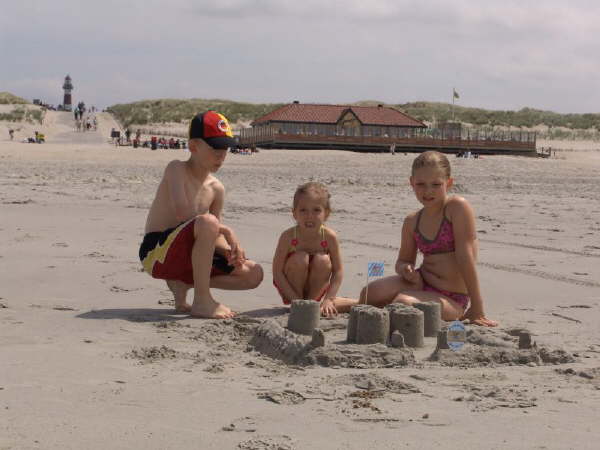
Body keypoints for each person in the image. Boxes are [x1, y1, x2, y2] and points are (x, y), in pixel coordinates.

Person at [139, 111, 263, 319]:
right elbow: (183, 213)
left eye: (225, 148)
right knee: (208, 222)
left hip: (191, 255)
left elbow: (212, 234)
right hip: (156, 252)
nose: (221, 155)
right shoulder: (176, 169)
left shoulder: (217, 188)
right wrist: (227, 231)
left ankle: (184, 284)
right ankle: (202, 300)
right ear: (193, 146)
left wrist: (228, 251)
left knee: (253, 273)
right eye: (215, 148)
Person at [359, 151, 497, 327]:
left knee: (403, 303)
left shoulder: (456, 208)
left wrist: (477, 307)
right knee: (370, 292)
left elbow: (466, 257)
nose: (428, 191)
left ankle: (366, 305)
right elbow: (403, 261)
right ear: (411, 183)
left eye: (436, 184)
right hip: (420, 283)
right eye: (421, 184)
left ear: (449, 183)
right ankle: (350, 304)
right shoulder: (412, 221)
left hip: (452, 297)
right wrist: (406, 269)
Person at [272, 182, 357, 317]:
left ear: (326, 214)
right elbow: (277, 272)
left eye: (316, 210)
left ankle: (312, 304)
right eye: (303, 210)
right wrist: (295, 299)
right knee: (300, 258)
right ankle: (299, 304)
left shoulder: (329, 237)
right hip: (292, 288)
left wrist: (328, 299)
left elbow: (338, 271)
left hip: (317, 286)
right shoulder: (288, 237)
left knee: (323, 260)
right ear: (294, 213)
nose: (309, 216)